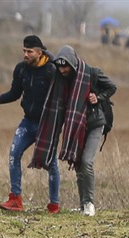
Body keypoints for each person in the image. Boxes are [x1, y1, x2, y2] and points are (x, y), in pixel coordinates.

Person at [30, 45, 117, 217]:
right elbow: (50, 58)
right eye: (60, 66)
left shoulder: (92, 73)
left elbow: (111, 87)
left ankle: (90, 203)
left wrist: (97, 97)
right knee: (78, 164)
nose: (62, 70)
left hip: (94, 123)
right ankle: (83, 204)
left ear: (73, 64)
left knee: (86, 162)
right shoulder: (59, 78)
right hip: (76, 126)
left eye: (65, 66)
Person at [0, 35, 59, 213]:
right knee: (14, 154)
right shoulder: (20, 70)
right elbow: (15, 93)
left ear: (40, 52)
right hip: (28, 122)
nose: (25, 54)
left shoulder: (51, 71)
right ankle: (15, 199)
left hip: (46, 124)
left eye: (29, 51)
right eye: (24, 51)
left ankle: (54, 204)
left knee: (50, 163)